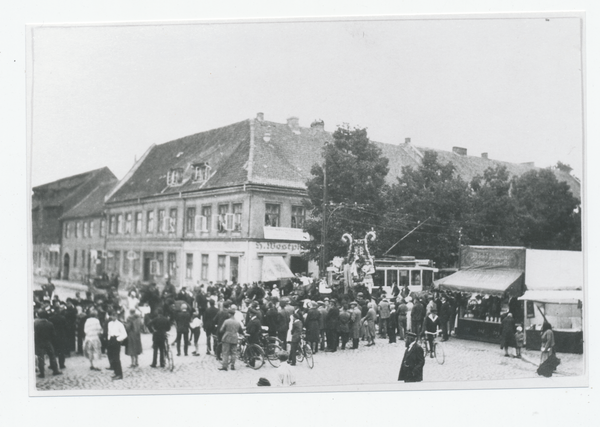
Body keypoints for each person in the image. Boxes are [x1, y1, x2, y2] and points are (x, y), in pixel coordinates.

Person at [34, 309, 62, 378]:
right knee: (52, 356)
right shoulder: (49, 323)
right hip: (48, 342)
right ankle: (55, 370)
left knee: (41, 357)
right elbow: (53, 334)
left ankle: (42, 372)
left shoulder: (35, 324)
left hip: (39, 342)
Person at [106, 310, 128, 380]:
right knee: (111, 357)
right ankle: (115, 372)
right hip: (111, 340)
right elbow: (109, 332)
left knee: (116, 358)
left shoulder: (120, 324)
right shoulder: (109, 323)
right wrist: (109, 339)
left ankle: (119, 374)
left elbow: (124, 334)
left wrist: (118, 340)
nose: (113, 317)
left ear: (117, 316)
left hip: (116, 340)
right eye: (112, 315)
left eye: (115, 315)